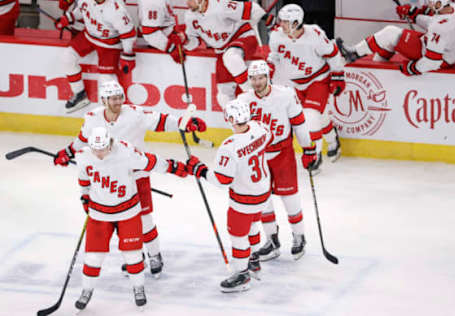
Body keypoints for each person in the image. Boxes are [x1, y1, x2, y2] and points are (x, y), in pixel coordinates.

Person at [53, 80, 207, 278]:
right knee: (120, 219)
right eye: (113, 99)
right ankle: (136, 256)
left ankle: (154, 255)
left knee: (143, 219)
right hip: (111, 178)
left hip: (137, 174)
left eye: (120, 98)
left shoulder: (134, 113)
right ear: (103, 100)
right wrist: (67, 152)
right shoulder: (92, 118)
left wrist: (184, 124)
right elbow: (82, 140)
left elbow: (161, 120)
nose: (118, 102)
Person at [75, 127, 188, 310]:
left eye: (102, 149)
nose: (99, 154)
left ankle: (139, 288)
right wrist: (85, 197)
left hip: (128, 212)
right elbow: (84, 180)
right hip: (99, 214)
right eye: (95, 149)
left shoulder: (125, 152)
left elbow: (150, 162)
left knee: (133, 255)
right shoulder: (84, 156)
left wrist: (174, 167)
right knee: (93, 258)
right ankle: (86, 290)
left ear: (110, 144)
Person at [185, 99, 273, 293]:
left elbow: (221, 180)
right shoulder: (259, 127)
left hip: (244, 198)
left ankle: (242, 275)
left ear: (232, 118)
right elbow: (270, 136)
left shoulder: (229, 145)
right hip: (264, 192)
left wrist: (200, 169)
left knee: (238, 236)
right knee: (252, 225)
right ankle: (253, 260)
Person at [237, 60, 317, 261]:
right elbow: (240, 132)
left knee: (290, 199)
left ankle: (299, 236)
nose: (257, 82)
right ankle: (272, 240)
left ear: (267, 77)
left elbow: (299, 124)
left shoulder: (286, 95)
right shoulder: (243, 100)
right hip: (258, 155)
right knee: (262, 200)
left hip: (283, 153)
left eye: (261, 77)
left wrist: (308, 149)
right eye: (253, 78)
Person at [268, 3, 344, 173]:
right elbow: (274, 56)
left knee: (310, 117)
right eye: (281, 21)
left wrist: (338, 75)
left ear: (296, 22)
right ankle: (332, 140)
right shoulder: (276, 36)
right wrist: (269, 68)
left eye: (286, 21)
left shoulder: (314, 34)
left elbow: (332, 53)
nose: (282, 24)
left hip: (318, 80)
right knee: (320, 117)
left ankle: (315, 156)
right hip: (295, 83)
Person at [177, 0, 269, 106]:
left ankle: (254, 96)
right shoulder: (190, 16)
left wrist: (267, 20)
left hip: (243, 37)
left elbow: (251, 8)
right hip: (221, 50)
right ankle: (237, 120)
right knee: (223, 96)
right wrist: (184, 39)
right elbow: (194, 43)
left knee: (231, 57)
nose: (187, 3)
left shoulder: (220, 4)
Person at [336, 0, 455, 76]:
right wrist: (413, 14)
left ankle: (352, 54)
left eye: (431, 3)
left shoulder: (440, 28)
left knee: (390, 33)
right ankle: (378, 65)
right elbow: (433, 21)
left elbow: (433, 61)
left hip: (440, 59)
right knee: (391, 40)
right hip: (448, 53)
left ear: (438, 4)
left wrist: (412, 68)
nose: (428, 4)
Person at [55, 0, 137, 113]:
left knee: (106, 80)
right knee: (67, 58)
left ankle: (115, 113)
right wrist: (69, 17)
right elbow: (83, 9)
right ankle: (79, 94)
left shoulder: (116, 8)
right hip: (89, 36)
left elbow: (129, 33)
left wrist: (128, 54)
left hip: (109, 44)